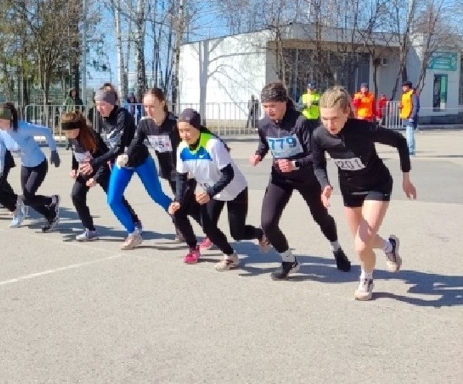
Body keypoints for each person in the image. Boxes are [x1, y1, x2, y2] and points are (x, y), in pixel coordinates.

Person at [306, 86, 415, 301]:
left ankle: (366, 278)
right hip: (350, 190)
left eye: (335, 118)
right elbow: (318, 165)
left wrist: (406, 177)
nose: (330, 124)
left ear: (347, 111)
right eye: (325, 119)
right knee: (363, 240)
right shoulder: (319, 136)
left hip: (377, 185)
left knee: (361, 244)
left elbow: (400, 142)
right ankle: (389, 246)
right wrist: (324, 185)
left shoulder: (363, 129)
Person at [250, 82, 351, 280]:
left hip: (306, 178)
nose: (269, 110)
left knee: (321, 217)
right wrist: (258, 154)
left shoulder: (300, 122)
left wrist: (294, 164)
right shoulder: (263, 124)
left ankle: (337, 249)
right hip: (280, 178)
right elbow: (264, 142)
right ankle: (288, 260)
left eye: (273, 105)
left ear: (284, 103)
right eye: (265, 106)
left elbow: (315, 155)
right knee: (267, 223)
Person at [171, 109, 269, 271]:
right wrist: (178, 200)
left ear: (197, 127)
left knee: (237, 234)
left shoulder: (213, 144)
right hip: (213, 193)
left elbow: (228, 174)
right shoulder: (182, 148)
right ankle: (230, 256)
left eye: (188, 130)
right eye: (181, 131)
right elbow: (181, 178)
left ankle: (261, 234)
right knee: (208, 226)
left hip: (235, 189)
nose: (184, 134)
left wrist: (209, 192)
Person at [123, 88, 209, 261]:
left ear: (162, 103)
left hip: (186, 172)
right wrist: (127, 155)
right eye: (145, 106)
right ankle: (211, 232)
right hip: (170, 172)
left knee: (177, 208)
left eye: (152, 106)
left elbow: (200, 134)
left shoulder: (175, 123)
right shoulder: (145, 123)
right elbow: (136, 142)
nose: (148, 110)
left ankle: (193, 247)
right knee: (190, 206)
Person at [61, 111, 141, 242]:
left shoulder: (91, 136)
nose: (68, 135)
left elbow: (105, 160)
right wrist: (74, 168)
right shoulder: (72, 136)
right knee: (76, 195)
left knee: (115, 198)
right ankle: (90, 230)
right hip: (86, 169)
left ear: (79, 127)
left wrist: (96, 178)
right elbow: (75, 154)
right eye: (66, 132)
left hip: (101, 169)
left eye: (70, 131)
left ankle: (135, 221)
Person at [92, 85, 149, 249]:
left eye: (102, 104)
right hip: (121, 162)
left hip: (139, 159)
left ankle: (179, 224)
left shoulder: (123, 115)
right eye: (96, 104)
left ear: (111, 103)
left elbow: (119, 146)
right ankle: (134, 233)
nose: (99, 108)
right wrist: (108, 159)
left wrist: (96, 162)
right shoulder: (103, 118)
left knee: (156, 195)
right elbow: (111, 146)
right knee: (112, 200)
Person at [0, 103, 62, 232]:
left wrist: (53, 151)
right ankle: (51, 216)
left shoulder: (23, 127)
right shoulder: (0, 133)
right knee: (27, 199)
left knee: (27, 198)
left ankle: (53, 200)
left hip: (39, 165)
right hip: (25, 166)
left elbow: (46, 131)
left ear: (8, 119)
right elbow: (0, 155)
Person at [399, 80, 420, 156]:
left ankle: (410, 151)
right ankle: (412, 150)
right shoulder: (404, 95)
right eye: (403, 87)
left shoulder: (413, 94)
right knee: (409, 134)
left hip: (411, 117)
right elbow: (405, 105)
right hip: (405, 116)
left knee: (409, 134)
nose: (403, 88)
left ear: (409, 87)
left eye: (405, 87)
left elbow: (416, 106)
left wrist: (412, 116)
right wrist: (400, 106)